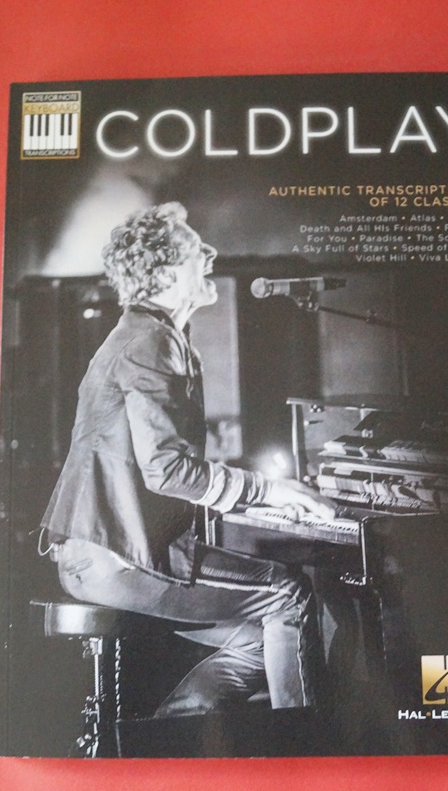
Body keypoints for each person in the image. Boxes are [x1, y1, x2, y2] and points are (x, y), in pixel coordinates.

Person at [39, 202, 336, 717]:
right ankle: (304, 741)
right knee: (288, 596)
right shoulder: (150, 342)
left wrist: (261, 499)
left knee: (257, 634)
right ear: (166, 271)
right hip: (116, 556)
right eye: (197, 248)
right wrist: (272, 491)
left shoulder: (148, 335)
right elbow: (167, 470)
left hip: (100, 551)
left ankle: (170, 730)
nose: (210, 254)